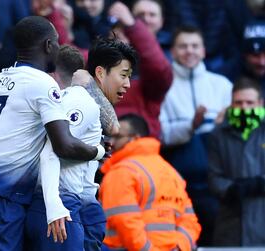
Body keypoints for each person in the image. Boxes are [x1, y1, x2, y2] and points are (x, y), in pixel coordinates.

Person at [0, 16, 106, 251]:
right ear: (48, 46)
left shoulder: (1, 78)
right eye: (56, 42)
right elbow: (62, 145)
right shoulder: (43, 83)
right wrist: (98, 151)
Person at [26, 39, 136, 251]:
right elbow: (50, 152)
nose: (128, 84)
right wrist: (54, 205)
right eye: (123, 75)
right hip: (58, 209)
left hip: (75, 204)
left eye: (129, 76)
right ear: (101, 73)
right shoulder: (81, 100)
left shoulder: (87, 102)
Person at [159, 25, 232, 246]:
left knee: (216, 239)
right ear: (173, 51)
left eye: (194, 46)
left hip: (215, 181)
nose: (189, 51)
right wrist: (191, 125)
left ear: (203, 50)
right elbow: (161, 134)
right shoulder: (163, 86)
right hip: (178, 181)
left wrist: (220, 125)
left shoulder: (222, 84)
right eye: (183, 46)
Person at [99, 114, 201, 251]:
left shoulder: (121, 172)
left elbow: (125, 222)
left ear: (134, 138)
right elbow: (190, 221)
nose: (111, 142)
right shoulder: (172, 173)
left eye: (117, 137)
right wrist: (179, 247)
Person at [208, 77, 265, 246]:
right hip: (231, 223)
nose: (244, 107)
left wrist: (260, 183)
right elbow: (213, 178)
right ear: (231, 104)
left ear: (260, 103)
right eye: (239, 103)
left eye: (250, 102)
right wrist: (232, 189)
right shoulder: (217, 135)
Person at [107, 1, 173, 138]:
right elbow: (69, 59)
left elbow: (158, 69)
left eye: (152, 14)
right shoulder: (99, 66)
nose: (145, 19)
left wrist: (132, 25)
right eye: (140, 15)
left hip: (138, 144)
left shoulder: (162, 60)